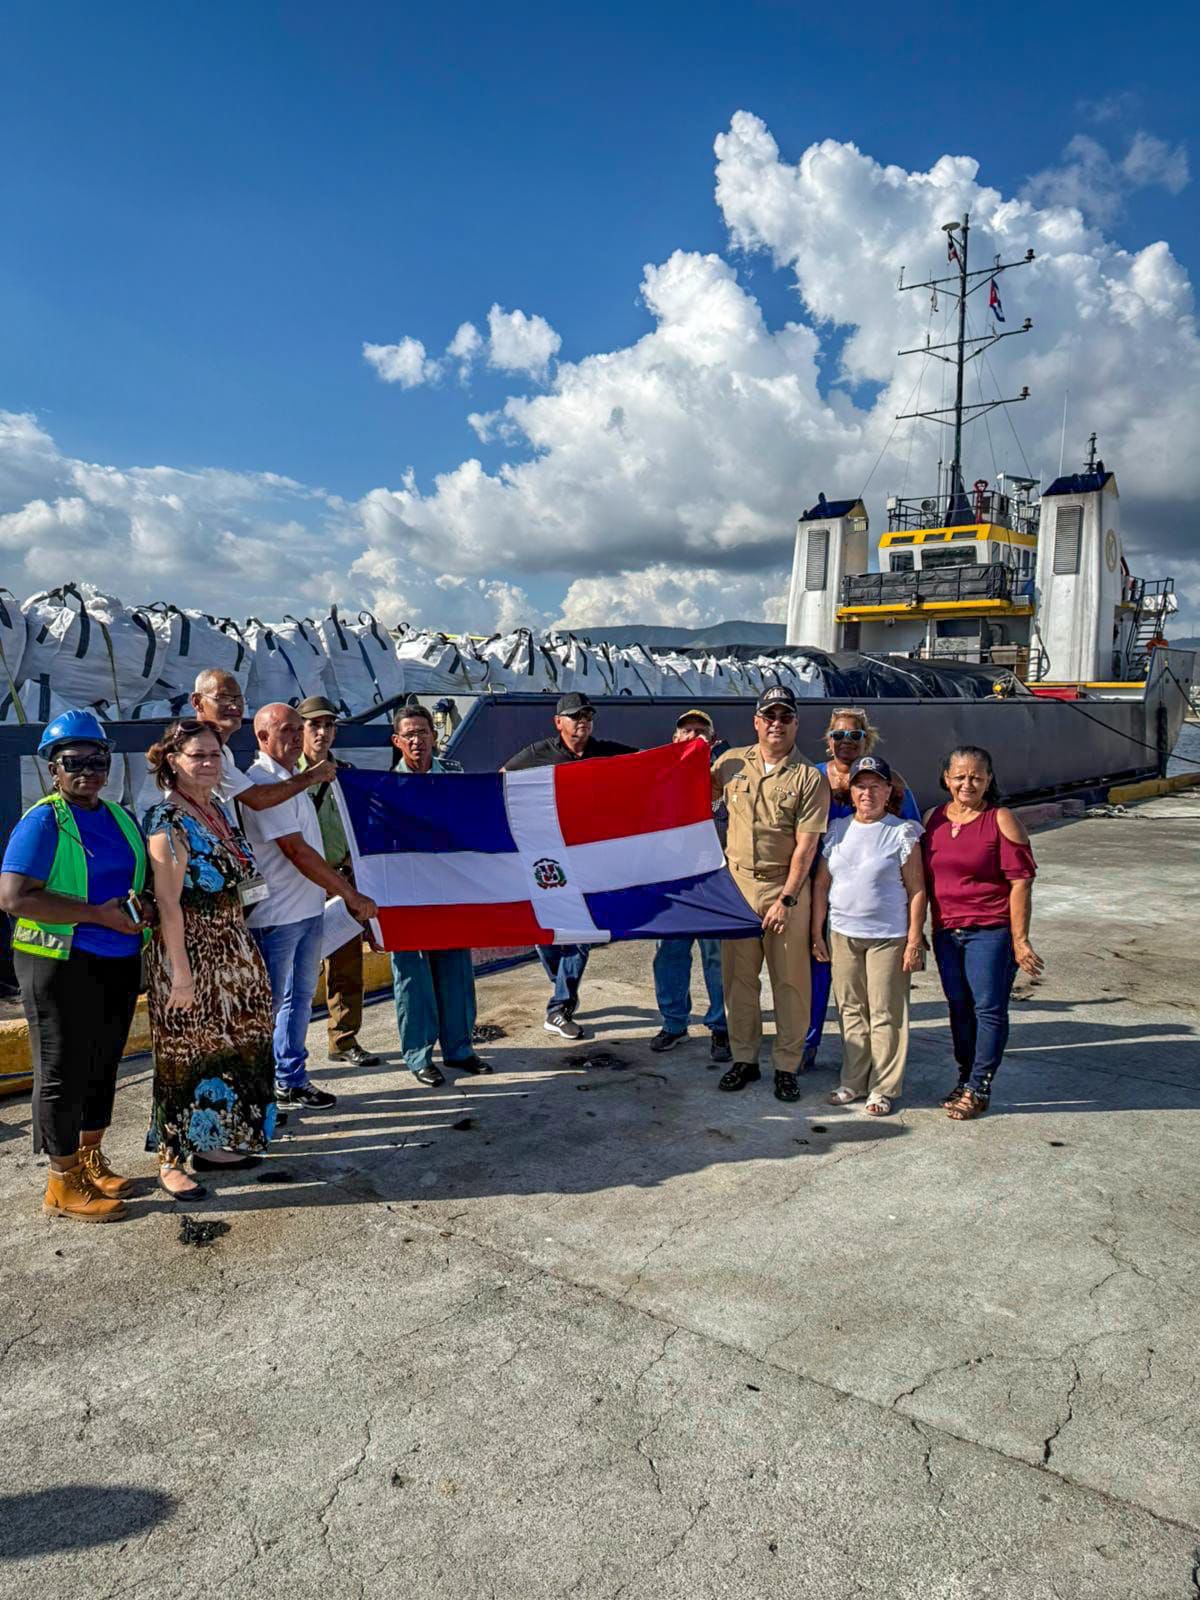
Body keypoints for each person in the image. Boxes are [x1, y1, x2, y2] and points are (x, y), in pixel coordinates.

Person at [0, 710, 148, 1222]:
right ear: (53, 769)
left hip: (117, 958)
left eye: (97, 760)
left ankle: (88, 1158)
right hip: (57, 963)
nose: (87, 771)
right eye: (74, 762)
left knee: (103, 1062)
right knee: (61, 1069)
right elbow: (13, 897)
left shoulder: (119, 816)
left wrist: (142, 908)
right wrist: (96, 915)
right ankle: (61, 1182)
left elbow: (133, 881)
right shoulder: (44, 820)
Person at [142, 721, 277, 1199]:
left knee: (233, 1046)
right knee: (185, 1054)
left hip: (232, 945)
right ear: (172, 761)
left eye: (214, 755)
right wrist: (181, 975)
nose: (207, 763)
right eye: (197, 755)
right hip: (191, 951)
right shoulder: (167, 821)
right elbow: (168, 904)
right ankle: (170, 1159)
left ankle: (213, 1143)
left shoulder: (216, 809)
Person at [240, 703, 378, 1110]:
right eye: (286, 730)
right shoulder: (263, 781)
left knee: (298, 1000)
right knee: (270, 1007)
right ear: (262, 737)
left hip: (307, 910)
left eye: (297, 729)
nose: (296, 737)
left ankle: (290, 1079)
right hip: (277, 916)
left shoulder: (290, 779)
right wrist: (350, 894)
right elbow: (297, 852)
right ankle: (262, 1091)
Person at [710, 686, 830, 1103]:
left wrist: (788, 899)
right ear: (756, 722)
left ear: (796, 723)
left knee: (790, 983)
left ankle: (786, 1065)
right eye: (769, 716)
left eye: (785, 717)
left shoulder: (809, 777)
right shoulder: (730, 764)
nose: (776, 724)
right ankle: (744, 1059)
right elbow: (695, 798)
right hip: (738, 887)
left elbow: (806, 847)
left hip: (785, 888)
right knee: (739, 982)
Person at [504, 692, 636, 1041]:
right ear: (558, 722)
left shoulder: (605, 751)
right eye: (576, 716)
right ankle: (562, 984)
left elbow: (652, 764)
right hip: (547, 859)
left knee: (582, 932)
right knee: (545, 933)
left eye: (588, 716)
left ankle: (560, 1007)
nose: (583, 722)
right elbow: (500, 780)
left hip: (589, 860)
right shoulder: (538, 753)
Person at [922, 744, 1043, 1121]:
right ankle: (965, 1077)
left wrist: (1020, 941)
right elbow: (921, 880)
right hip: (946, 932)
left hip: (990, 931)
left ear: (989, 779)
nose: (967, 783)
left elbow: (1021, 881)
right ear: (946, 779)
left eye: (976, 776)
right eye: (959, 776)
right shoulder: (933, 819)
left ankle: (980, 1085)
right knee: (959, 1007)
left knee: (988, 1009)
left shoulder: (1000, 819)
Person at [804, 708, 922, 1072]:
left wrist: (915, 927)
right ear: (828, 741)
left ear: (865, 740)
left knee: (877, 991)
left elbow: (911, 838)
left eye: (854, 735)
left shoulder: (889, 781)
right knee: (817, 977)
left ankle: (879, 1064)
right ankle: (808, 1044)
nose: (846, 742)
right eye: (838, 735)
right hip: (820, 889)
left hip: (876, 901)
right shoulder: (813, 777)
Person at [390, 703, 490, 1085]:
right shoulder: (382, 787)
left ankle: (460, 1049)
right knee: (413, 977)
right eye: (409, 735)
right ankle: (419, 1055)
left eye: (423, 732)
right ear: (397, 741)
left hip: (450, 891)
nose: (417, 740)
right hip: (408, 895)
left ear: (434, 736)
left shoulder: (454, 778)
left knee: (456, 973)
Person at [296, 695, 379, 1068]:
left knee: (346, 969)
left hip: (340, 882)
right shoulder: (287, 777)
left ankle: (343, 1040)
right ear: (300, 729)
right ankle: (286, 1052)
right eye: (314, 725)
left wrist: (350, 870)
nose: (322, 732)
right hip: (299, 884)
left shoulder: (346, 774)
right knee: (294, 974)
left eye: (328, 725)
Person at [649, 709, 730, 1064]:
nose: (693, 736)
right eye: (686, 731)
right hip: (674, 884)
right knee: (670, 955)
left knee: (718, 959)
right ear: (675, 739)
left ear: (712, 740)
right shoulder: (659, 777)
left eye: (700, 731)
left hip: (715, 881)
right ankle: (674, 1023)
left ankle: (721, 1025)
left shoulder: (726, 777)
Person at [189, 668, 336, 812]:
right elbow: (258, 799)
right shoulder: (199, 750)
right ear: (197, 702)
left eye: (238, 699)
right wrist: (311, 776)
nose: (234, 706)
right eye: (223, 698)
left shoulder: (222, 750)